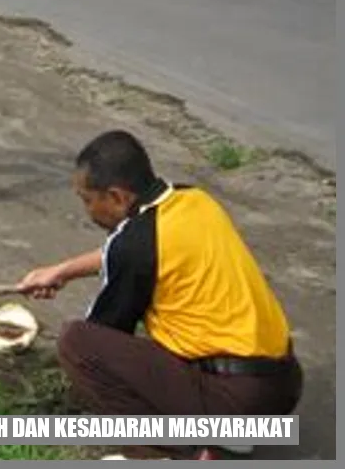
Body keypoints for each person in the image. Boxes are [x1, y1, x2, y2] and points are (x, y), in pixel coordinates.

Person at [16, 130, 301, 461]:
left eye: (87, 199)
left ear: (117, 196)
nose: (87, 210)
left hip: (234, 397)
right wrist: (62, 271)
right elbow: (128, 248)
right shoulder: (193, 200)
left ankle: (181, 452)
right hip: (282, 386)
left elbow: (105, 330)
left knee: (78, 344)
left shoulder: (137, 245)